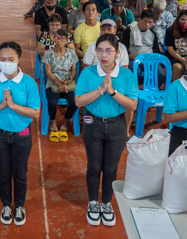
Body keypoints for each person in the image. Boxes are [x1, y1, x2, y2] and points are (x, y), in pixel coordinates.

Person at [75, 33, 138, 227]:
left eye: (108, 50)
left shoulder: (126, 75)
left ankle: (106, 203)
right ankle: (93, 202)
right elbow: (78, 101)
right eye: (100, 50)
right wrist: (100, 90)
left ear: (117, 53)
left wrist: (112, 91)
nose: (104, 55)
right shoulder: (88, 73)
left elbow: (132, 105)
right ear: (95, 52)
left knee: (111, 168)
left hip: (117, 125)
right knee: (94, 166)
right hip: (93, 124)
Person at [0, 41, 40, 226]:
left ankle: (19, 206)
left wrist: (13, 106)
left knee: (20, 172)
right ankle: (7, 205)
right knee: (4, 171)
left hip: (22, 135)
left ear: (18, 59)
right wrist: (1, 106)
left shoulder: (28, 83)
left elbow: (35, 112)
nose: (6, 63)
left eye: (10, 59)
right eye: (2, 59)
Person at [43, 28, 78, 142]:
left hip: (68, 82)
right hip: (53, 83)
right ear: (53, 39)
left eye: (62, 38)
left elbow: (73, 70)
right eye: (57, 38)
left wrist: (69, 80)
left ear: (67, 40)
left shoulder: (72, 53)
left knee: (76, 102)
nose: (59, 41)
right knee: (52, 103)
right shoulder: (48, 53)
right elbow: (48, 73)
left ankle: (66, 119)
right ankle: (52, 121)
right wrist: (59, 83)